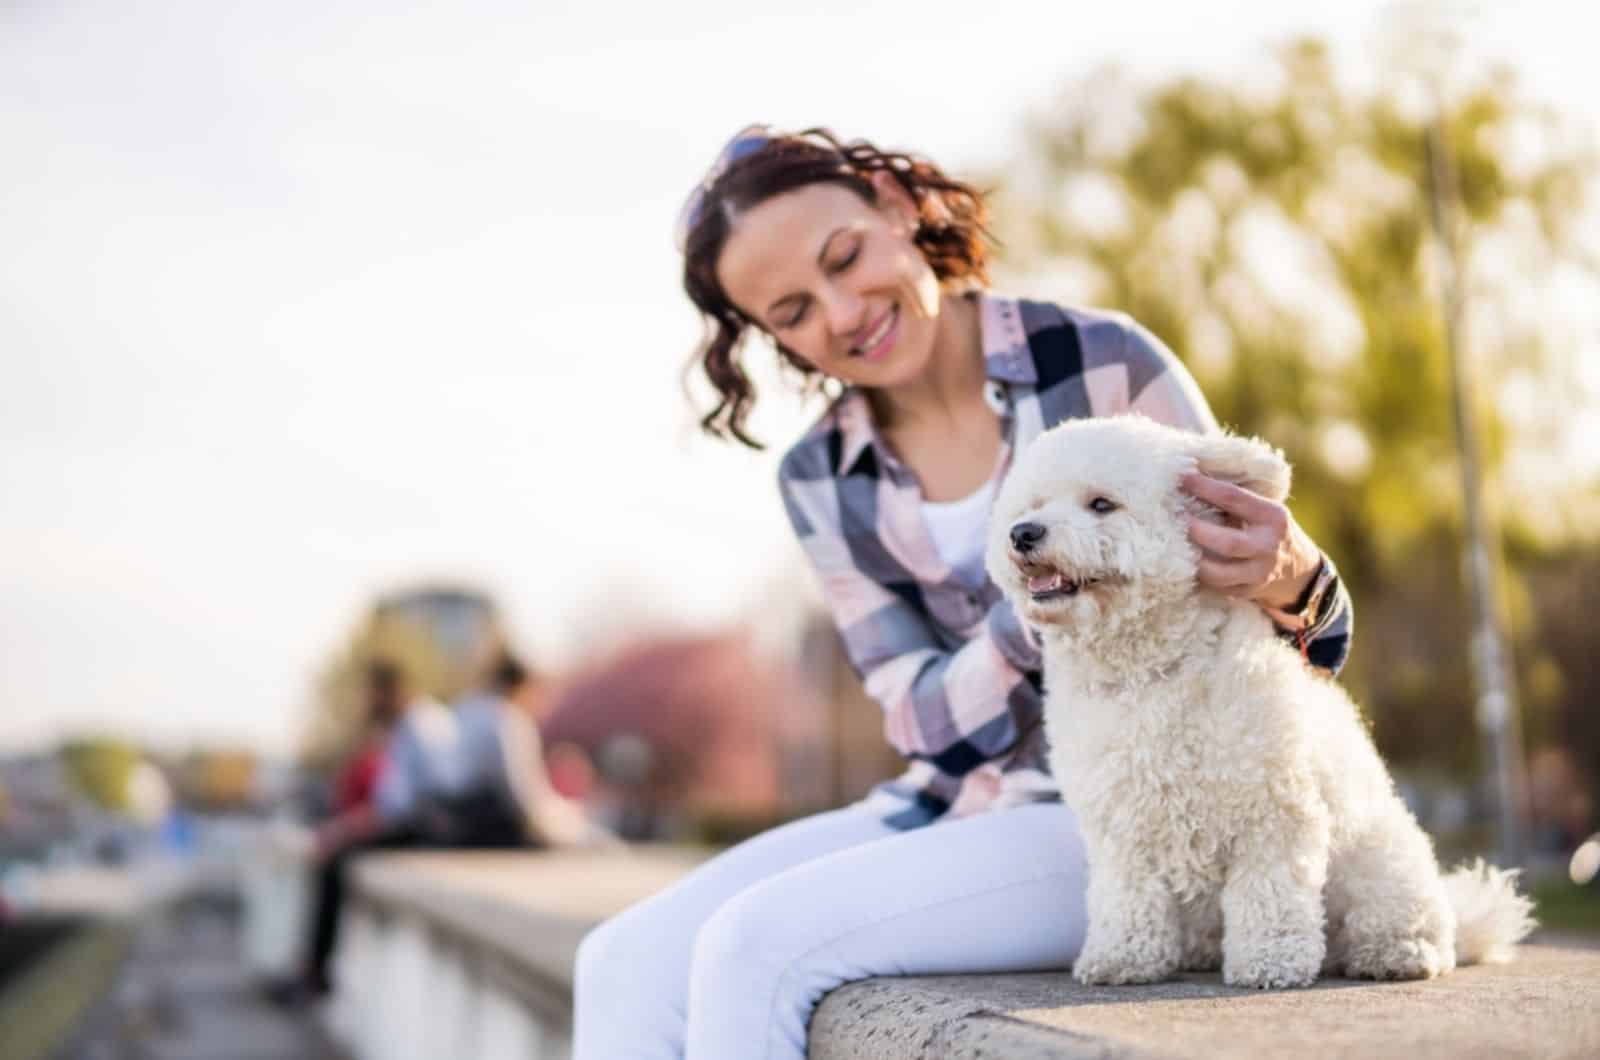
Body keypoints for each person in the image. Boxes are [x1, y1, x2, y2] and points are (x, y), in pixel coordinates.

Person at [572, 127, 1354, 1059]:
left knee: (754, 948)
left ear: (897, 209)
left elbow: (1269, 636)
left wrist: (1296, 576)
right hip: (947, 802)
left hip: (1133, 814)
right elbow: (925, 723)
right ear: (771, 337)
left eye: (846, 257)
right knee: (617, 960)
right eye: (793, 310)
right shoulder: (820, 473)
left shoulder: (1105, 362)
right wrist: (1043, 601)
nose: (843, 312)